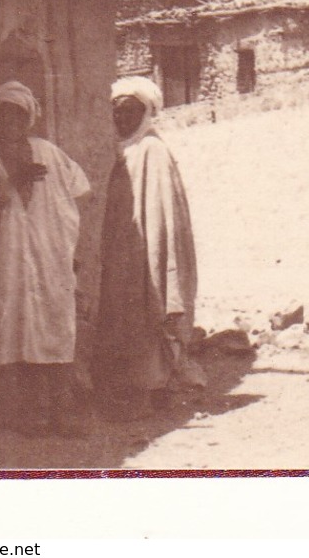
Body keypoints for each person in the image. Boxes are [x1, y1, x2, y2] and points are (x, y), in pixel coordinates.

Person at [0, 80, 92, 435]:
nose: (10, 123)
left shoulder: (47, 152)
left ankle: (60, 413)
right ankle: (26, 414)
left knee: (55, 327)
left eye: (17, 117)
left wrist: (66, 243)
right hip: (6, 261)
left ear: (29, 120)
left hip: (49, 258)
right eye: (2, 116)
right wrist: (13, 180)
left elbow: (79, 191)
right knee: (14, 330)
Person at [95, 76, 202, 419]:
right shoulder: (123, 149)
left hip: (147, 251)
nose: (121, 118)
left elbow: (161, 214)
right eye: (117, 112)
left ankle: (154, 391)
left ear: (145, 113)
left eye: (130, 111)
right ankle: (138, 392)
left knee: (149, 309)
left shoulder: (153, 150)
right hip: (123, 250)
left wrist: (153, 256)